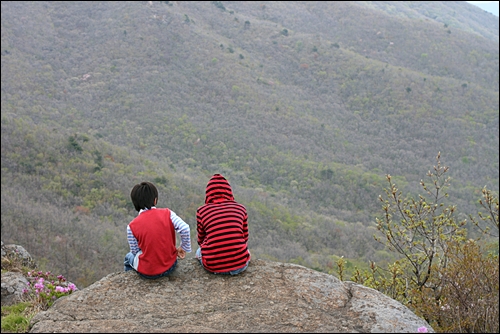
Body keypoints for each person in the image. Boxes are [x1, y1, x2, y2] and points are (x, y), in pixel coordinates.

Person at [124, 181, 191, 279]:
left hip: (147, 272)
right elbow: (185, 228)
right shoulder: (168, 214)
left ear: (135, 204)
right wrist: (183, 247)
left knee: (128, 257)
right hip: (170, 266)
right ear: (155, 200)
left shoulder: (131, 226)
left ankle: (129, 279)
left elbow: (135, 251)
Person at [196, 173, 250, 275]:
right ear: (229, 191)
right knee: (246, 250)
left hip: (213, 266)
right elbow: (245, 237)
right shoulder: (241, 208)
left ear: (208, 193)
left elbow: (201, 240)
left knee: (198, 251)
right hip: (240, 265)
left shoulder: (202, 211)